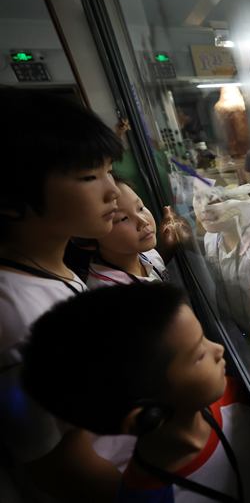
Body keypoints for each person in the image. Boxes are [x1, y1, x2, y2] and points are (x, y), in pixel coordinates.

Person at [22, 283, 250, 501]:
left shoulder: (237, 395)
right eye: (199, 355)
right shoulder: (153, 498)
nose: (218, 349)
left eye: (204, 338)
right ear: (147, 415)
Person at [0, 87, 124, 500]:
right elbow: (60, 467)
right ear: (9, 198)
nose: (113, 190)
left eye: (109, 170)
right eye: (89, 176)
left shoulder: (50, 266)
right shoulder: (17, 318)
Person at [87, 178, 168, 287]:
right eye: (123, 218)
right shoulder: (108, 291)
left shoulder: (148, 254)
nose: (143, 222)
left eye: (140, 208)